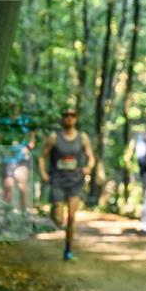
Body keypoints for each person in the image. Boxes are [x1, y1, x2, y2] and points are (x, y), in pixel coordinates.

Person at [38, 110, 95, 261]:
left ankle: (68, 250)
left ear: (76, 119)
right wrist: (44, 174)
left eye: (72, 116)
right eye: (66, 116)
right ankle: (54, 212)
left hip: (75, 180)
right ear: (62, 119)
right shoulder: (54, 137)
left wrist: (89, 167)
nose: (69, 118)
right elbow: (42, 157)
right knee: (59, 219)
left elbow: (91, 156)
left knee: (71, 217)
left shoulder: (82, 137)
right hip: (57, 179)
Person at [0, 113, 35, 213]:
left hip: (21, 159)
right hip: (7, 159)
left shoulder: (26, 120)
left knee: (22, 187)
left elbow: (32, 138)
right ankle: (5, 215)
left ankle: (24, 214)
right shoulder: (2, 121)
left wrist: (26, 148)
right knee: (8, 186)